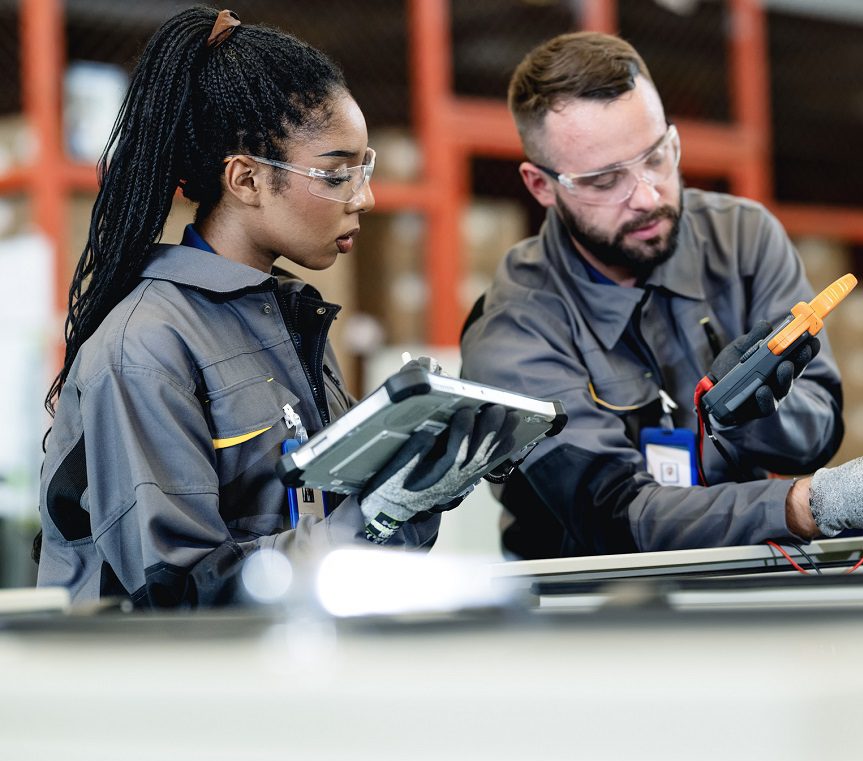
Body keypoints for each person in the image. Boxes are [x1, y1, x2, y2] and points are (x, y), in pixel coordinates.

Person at [37, 7, 516, 608]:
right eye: (336, 174)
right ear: (245, 179)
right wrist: (376, 513)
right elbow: (179, 595)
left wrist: (411, 488)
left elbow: (331, 536)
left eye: (363, 169)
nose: (364, 197)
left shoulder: (288, 320)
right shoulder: (146, 346)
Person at [461, 32, 863, 559]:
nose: (648, 196)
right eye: (606, 180)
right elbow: (614, 514)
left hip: (755, 577)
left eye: (656, 156)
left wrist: (758, 413)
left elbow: (818, 434)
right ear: (542, 186)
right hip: (590, 611)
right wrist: (809, 505)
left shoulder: (742, 240)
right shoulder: (513, 328)